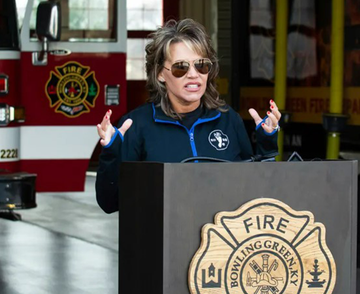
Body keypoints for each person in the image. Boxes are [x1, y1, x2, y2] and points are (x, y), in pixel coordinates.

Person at [95, 19, 281, 213]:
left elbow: (256, 194)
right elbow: (110, 203)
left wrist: (267, 144)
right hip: (164, 240)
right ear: (160, 74)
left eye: (201, 65)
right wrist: (111, 152)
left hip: (222, 240)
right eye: (180, 67)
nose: (193, 74)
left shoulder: (228, 120)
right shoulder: (137, 125)